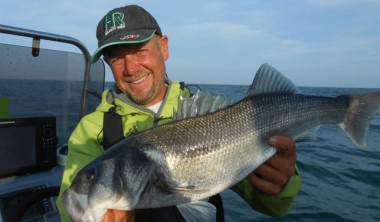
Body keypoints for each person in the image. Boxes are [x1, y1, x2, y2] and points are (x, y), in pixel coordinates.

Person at [56, 4, 301, 222]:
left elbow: (271, 206)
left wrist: (281, 185)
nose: (130, 68)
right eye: (117, 58)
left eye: (140, 51)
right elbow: (71, 206)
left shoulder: (216, 114)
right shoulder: (89, 130)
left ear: (163, 47)